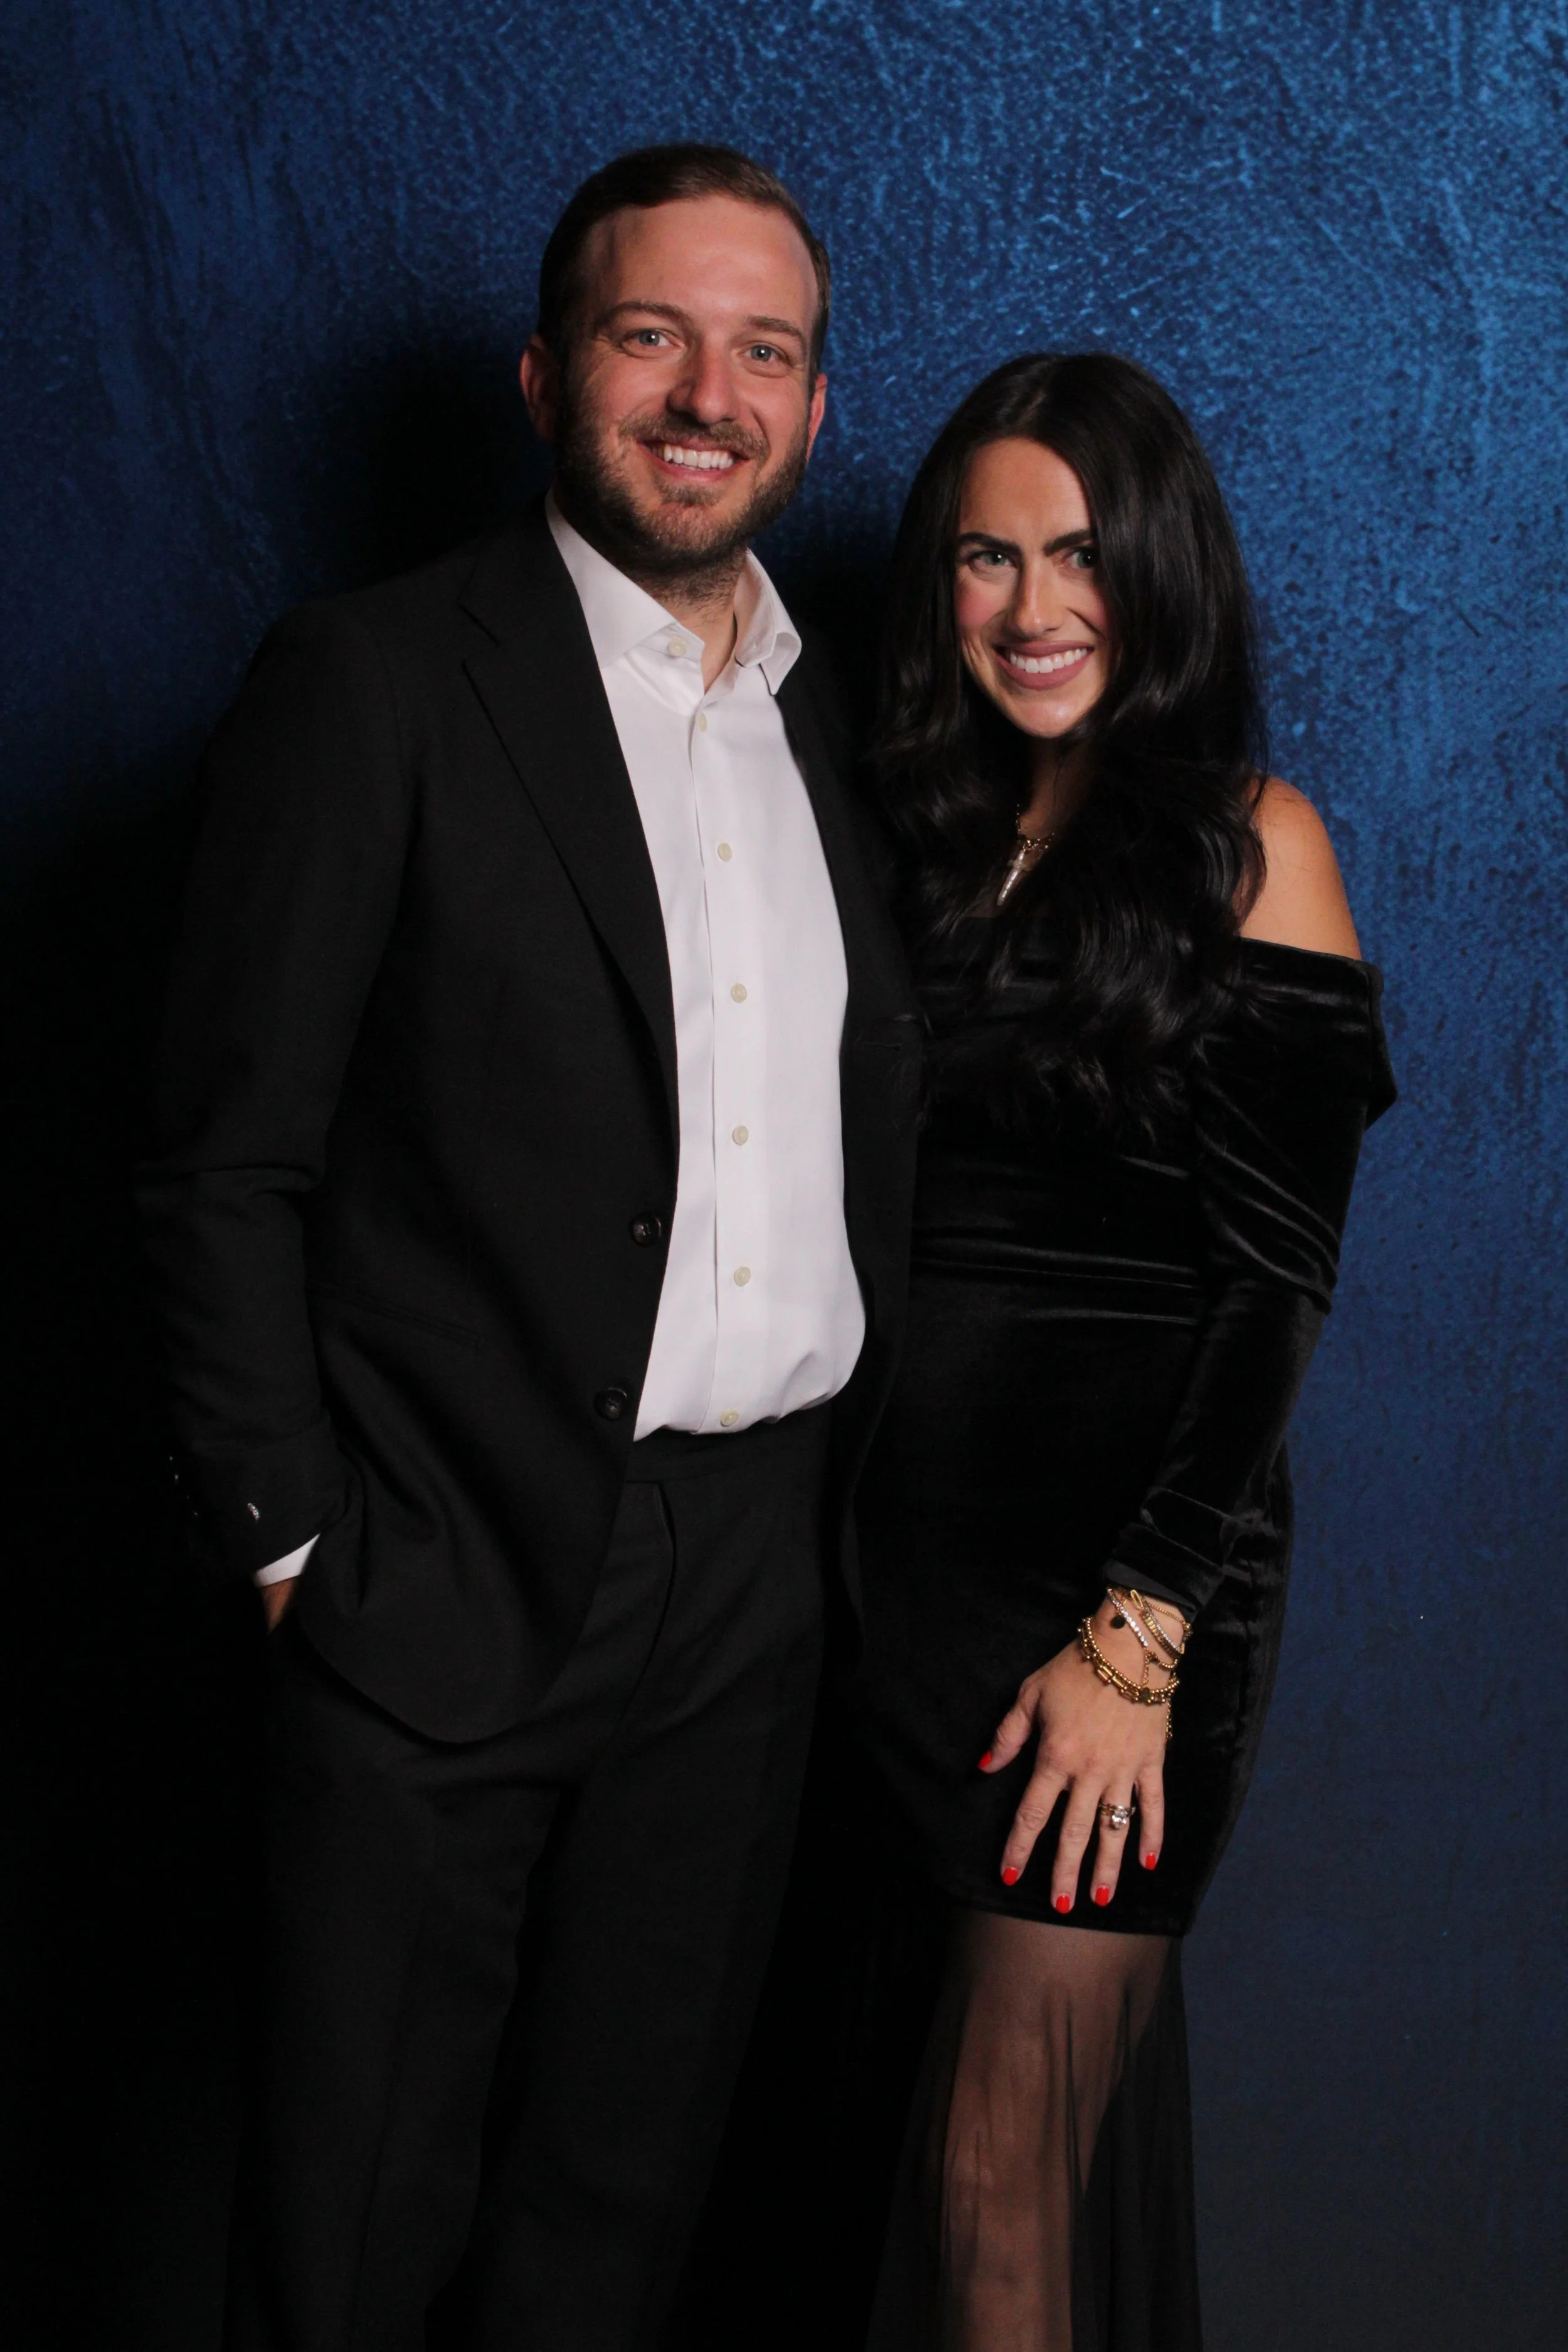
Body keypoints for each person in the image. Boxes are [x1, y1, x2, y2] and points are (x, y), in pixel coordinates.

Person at [137, 144, 917, 2352]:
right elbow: (220, 1161)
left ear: (813, 411)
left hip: (752, 1581)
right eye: (651, 335)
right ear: (545, 370)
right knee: (350, 2230)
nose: (706, 393)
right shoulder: (372, 682)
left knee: (615, 2209)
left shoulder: (837, 719)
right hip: (439, 1552)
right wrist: (293, 1543)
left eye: (761, 351)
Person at [852, 352, 1396, 2348]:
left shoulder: (1258, 847)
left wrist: (1136, 1636)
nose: (1027, 605)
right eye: (982, 557)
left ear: (1158, 568)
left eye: (1075, 552)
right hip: (887, 1599)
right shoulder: (912, 840)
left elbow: (1273, 1293)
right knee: (891, 2156)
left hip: (1110, 1617)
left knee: (998, 2186)